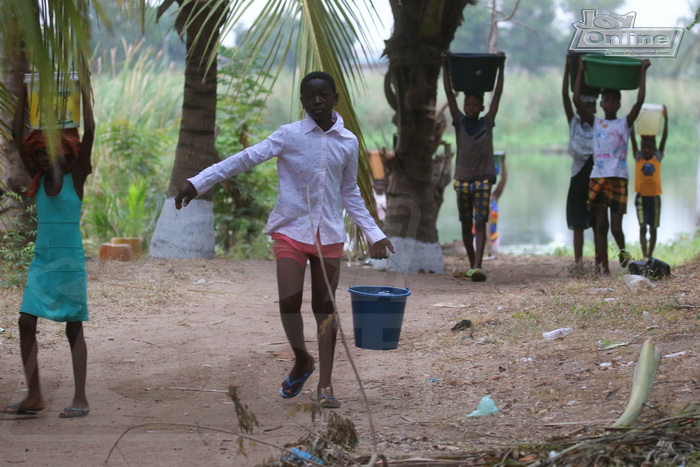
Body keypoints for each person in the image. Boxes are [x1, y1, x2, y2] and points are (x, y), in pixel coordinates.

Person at [175, 71, 394, 409]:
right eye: (310, 96)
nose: (317, 101)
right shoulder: (289, 135)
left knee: (324, 308)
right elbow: (245, 158)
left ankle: (325, 385)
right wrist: (198, 181)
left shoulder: (347, 142)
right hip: (291, 230)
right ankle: (302, 359)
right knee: (289, 302)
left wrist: (375, 234)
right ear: (303, 102)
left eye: (323, 95)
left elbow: (349, 191)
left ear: (335, 99)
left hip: (330, 235)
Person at [2, 77, 94, 418]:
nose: (41, 158)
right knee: (26, 322)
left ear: (64, 153)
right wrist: (24, 95)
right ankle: (34, 395)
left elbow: (91, 132)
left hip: (69, 263)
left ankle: (81, 398)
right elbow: (15, 135)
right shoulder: (37, 180)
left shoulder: (76, 178)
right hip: (43, 262)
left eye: (47, 152)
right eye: (37, 153)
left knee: (74, 328)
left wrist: (84, 94)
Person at [573, 57, 651, 274]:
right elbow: (576, 100)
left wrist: (643, 71)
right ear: (601, 104)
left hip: (618, 177)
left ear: (618, 104)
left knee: (616, 227)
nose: (609, 104)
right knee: (601, 224)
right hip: (598, 176)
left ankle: (623, 251)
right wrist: (581, 70)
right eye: (605, 100)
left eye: (613, 101)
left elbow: (639, 101)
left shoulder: (623, 123)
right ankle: (603, 268)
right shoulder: (596, 121)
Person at [441, 50, 505, 282]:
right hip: (463, 181)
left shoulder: (487, 122)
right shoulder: (458, 122)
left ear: (480, 107)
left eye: (474, 103)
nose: (469, 106)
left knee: (481, 222)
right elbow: (448, 92)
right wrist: (445, 65)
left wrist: (501, 67)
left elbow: (497, 93)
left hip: (483, 180)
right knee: (466, 223)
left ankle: (478, 265)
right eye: (467, 103)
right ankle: (471, 264)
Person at [561, 58, 598, 264]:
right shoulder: (574, 123)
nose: (586, 109)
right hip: (577, 177)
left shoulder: (600, 126)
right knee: (577, 224)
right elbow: (566, 97)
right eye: (584, 106)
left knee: (597, 221)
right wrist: (569, 69)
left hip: (595, 177)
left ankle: (600, 260)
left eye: (590, 106)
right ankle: (578, 262)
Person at [630, 105, 668, 259]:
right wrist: (632, 121)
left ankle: (650, 255)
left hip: (654, 198)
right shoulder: (638, 157)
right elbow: (632, 138)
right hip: (640, 198)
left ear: (654, 149)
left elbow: (664, 137)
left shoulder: (656, 157)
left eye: (649, 147)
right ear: (640, 148)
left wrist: (666, 119)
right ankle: (645, 255)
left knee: (653, 228)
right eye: (643, 147)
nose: (646, 150)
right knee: (642, 227)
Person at [484, 152, 507, 258]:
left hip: (493, 238)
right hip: (479, 238)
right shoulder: (476, 198)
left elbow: (503, 180)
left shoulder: (493, 197)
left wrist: (503, 162)